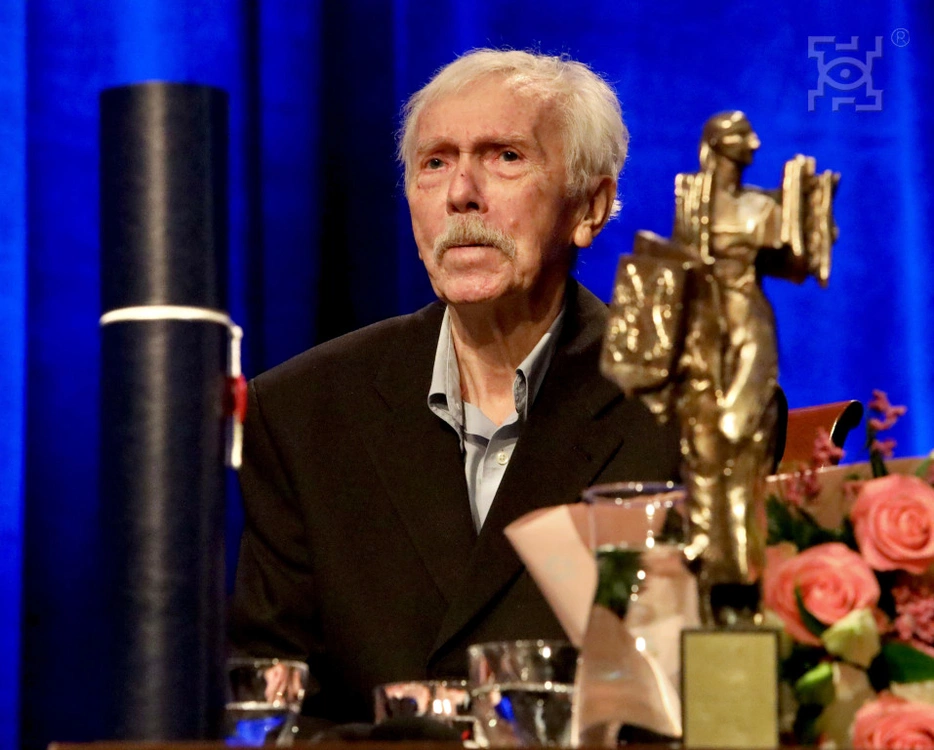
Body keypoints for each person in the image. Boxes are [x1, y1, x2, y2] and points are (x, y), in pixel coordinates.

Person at [229, 48, 681, 728]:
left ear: (590, 207)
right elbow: (271, 707)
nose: (461, 193)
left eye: (505, 157)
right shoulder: (300, 413)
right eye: (435, 163)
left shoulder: (680, 407)